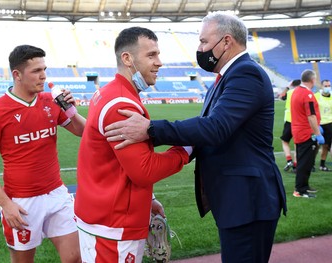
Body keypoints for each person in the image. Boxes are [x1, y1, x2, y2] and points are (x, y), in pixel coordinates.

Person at [104, 12, 287, 263]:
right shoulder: (225, 78)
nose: (200, 49)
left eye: (203, 42)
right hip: (238, 200)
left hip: (249, 201)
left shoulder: (246, 74)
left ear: (226, 42)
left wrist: (151, 129)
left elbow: (215, 127)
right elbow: (208, 129)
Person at [74, 27, 191, 263]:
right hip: (112, 226)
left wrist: (148, 199)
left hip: (104, 218)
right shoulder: (120, 102)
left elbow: (120, 162)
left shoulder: (110, 92)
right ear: (127, 58)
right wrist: (186, 150)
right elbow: (143, 170)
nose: (159, 62)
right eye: (151, 55)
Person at [0, 45, 85, 263]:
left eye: (44, 69)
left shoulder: (51, 102)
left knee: (76, 258)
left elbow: (83, 132)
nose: (43, 75)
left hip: (57, 195)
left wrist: (71, 109)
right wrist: (5, 203)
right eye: (36, 71)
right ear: (17, 74)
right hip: (21, 202)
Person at [291, 69, 324, 198]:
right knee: (305, 161)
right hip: (306, 133)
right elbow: (311, 115)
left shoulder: (296, 91)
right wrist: (318, 133)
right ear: (312, 80)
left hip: (299, 131)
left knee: (304, 160)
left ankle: (304, 185)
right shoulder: (308, 95)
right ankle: (300, 190)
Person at [280, 79, 301, 172]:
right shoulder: (302, 92)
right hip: (299, 120)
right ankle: (296, 165)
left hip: (289, 120)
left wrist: (288, 87)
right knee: (297, 144)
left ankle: (289, 160)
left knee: (285, 141)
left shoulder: (290, 92)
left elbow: (281, 97)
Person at [315, 79, 332, 171]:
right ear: (321, 86)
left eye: (329, 85)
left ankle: (322, 164)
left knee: (325, 145)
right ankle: (311, 163)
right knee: (316, 145)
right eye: (325, 86)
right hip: (319, 124)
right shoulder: (316, 96)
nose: (327, 87)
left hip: (329, 124)